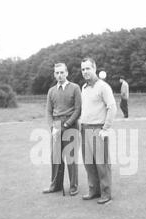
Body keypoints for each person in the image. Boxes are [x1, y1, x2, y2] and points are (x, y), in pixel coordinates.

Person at [80, 57, 117, 204]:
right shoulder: (83, 87)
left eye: (88, 68)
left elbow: (112, 107)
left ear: (94, 68)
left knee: (102, 164)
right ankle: (93, 190)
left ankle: (106, 194)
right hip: (85, 128)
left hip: (98, 129)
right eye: (83, 69)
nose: (85, 72)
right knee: (89, 163)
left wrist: (105, 128)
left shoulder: (103, 87)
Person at [43, 63, 82, 196]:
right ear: (54, 74)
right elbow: (48, 111)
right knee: (55, 158)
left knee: (71, 158)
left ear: (66, 73)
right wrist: (52, 127)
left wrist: (67, 124)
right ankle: (56, 185)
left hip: (71, 125)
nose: (59, 75)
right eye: (57, 73)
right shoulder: (51, 91)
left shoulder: (75, 88)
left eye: (61, 72)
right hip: (56, 125)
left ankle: (73, 186)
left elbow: (78, 110)